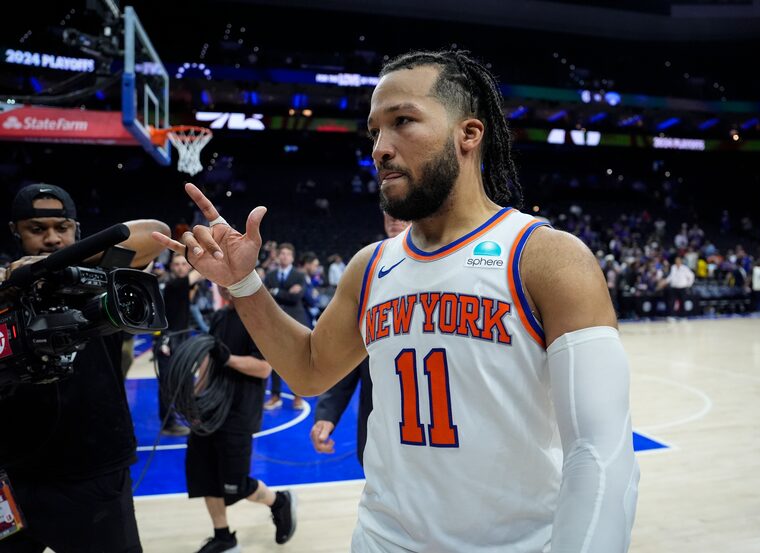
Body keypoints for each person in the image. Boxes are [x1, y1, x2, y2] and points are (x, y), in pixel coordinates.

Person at [157, 49, 639, 552]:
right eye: (374, 132)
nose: (381, 148)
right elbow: (309, 368)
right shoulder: (370, 267)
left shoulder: (547, 258)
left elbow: (599, 452)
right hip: (382, 540)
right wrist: (243, 285)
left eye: (403, 121)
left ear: (469, 134)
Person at [0, 183, 169, 552]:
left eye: (62, 228)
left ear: (76, 230)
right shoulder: (6, 284)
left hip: (93, 468)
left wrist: (55, 267)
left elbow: (158, 233)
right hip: (14, 471)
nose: (51, 238)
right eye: (37, 229)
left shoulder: (100, 274)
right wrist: (14, 279)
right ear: (16, 232)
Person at [186, 286, 295, 552]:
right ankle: (223, 536)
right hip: (210, 410)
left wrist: (229, 359)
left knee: (236, 484)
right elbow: (208, 361)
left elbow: (263, 368)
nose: (223, 287)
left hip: (239, 413)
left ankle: (279, 501)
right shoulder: (221, 316)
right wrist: (196, 397)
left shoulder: (258, 319)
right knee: (204, 476)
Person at [310, 213, 407, 466]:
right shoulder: (367, 271)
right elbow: (348, 352)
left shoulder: (446, 268)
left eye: (400, 213)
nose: (393, 218)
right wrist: (327, 414)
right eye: (388, 212)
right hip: (378, 429)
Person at [156, 252, 204, 436]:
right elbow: (199, 274)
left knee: (185, 379)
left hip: (181, 338)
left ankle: (189, 415)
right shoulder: (172, 284)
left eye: (184, 264)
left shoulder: (181, 286)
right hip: (169, 339)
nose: (181, 267)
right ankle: (169, 424)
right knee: (168, 384)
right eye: (176, 264)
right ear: (171, 267)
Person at [262, 243, 307, 410]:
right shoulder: (270, 275)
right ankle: (275, 396)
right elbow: (265, 297)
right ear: (278, 256)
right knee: (275, 359)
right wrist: (284, 293)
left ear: (292, 258)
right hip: (274, 322)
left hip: (295, 322)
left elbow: (296, 298)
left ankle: (298, 395)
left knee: (297, 360)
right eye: (282, 254)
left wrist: (276, 292)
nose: (284, 256)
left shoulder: (299, 276)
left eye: (288, 254)